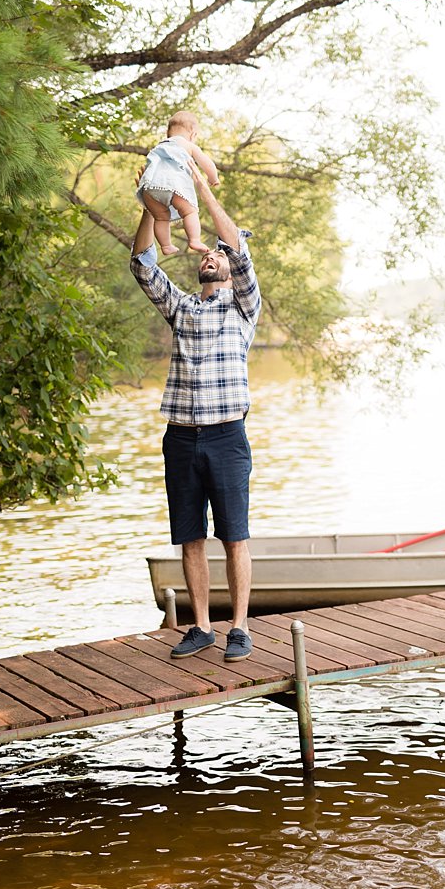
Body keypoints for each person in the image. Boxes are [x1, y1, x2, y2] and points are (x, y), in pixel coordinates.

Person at [130, 171, 262, 663]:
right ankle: (202, 627)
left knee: (234, 537)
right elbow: (142, 265)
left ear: (230, 268)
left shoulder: (244, 309)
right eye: (208, 252)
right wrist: (154, 200)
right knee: (189, 537)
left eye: (220, 254)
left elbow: (236, 249)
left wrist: (201, 192)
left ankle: (239, 629)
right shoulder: (182, 308)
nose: (212, 255)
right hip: (181, 439)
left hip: (227, 438)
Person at [136, 110, 220, 256]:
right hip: (173, 184)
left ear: (168, 133)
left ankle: (165, 245)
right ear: (193, 134)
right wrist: (213, 179)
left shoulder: (160, 146)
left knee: (161, 217)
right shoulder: (188, 145)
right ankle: (194, 240)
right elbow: (207, 164)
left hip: (150, 187)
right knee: (190, 211)